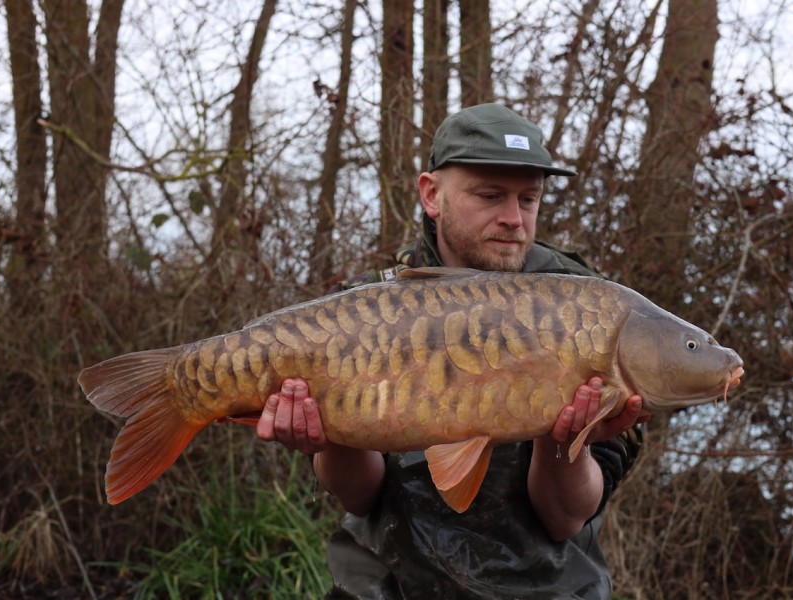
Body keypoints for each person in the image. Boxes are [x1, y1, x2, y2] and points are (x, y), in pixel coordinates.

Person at [256, 103, 648, 599]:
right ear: (431, 194)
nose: (513, 219)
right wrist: (333, 435)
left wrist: (563, 440)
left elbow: (565, 519)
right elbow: (360, 497)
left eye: (529, 199)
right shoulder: (366, 311)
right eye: (490, 195)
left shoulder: (594, 313)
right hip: (387, 582)